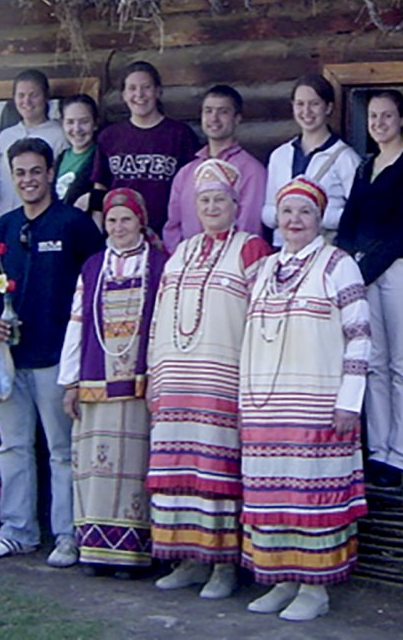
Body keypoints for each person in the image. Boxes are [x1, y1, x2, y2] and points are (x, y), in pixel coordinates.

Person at [240, 177, 370, 622]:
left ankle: (315, 590)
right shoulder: (261, 271)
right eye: (288, 213)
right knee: (272, 496)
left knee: (309, 497)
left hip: (316, 404)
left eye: (305, 213)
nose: (295, 221)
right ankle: (282, 580)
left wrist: (349, 401)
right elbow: (248, 340)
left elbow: (359, 337)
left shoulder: (338, 265)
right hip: (265, 407)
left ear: (319, 221)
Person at [147, 159, 272, 600]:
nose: (212, 206)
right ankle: (187, 558)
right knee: (179, 469)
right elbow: (160, 315)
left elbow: (264, 319)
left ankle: (222, 565)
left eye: (220, 199)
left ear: (237, 206)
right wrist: (154, 373)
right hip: (176, 380)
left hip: (222, 379)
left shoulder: (251, 248)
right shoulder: (181, 251)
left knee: (216, 472)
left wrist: (254, 381)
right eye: (205, 200)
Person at [0, 138, 103, 565]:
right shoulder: (6, 227)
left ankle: (68, 536)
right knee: (12, 448)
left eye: (35, 171)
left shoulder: (73, 224)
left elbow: (96, 282)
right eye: (20, 173)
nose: (28, 180)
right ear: (12, 178)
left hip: (56, 357)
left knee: (62, 452)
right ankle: (17, 532)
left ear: (51, 173)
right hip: (11, 357)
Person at [58, 189, 167, 575]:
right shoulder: (92, 267)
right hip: (95, 382)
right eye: (112, 220)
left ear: (140, 221)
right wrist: (70, 381)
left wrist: (158, 373)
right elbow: (76, 323)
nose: (119, 227)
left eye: (126, 219)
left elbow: (164, 324)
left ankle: (133, 555)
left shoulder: (160, 263)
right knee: (94, 469)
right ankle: (95, 550)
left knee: (134, 470)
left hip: (139, 384)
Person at [336, 90, 403, 491]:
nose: (378, 123)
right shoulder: (366, 165)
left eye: (387, 116)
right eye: (373, 116)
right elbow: (349, 221)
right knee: (373, 360)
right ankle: (379, 452)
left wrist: (364, 269)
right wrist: (342, 265)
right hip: (365, 270)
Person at [91, 61, 199, 235]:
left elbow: (191, 189)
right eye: (132, 88)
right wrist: (97, 229)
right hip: (121, 234)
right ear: (124, 94)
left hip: (166, 233)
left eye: (146, 87)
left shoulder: (180, 135)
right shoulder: (109, 136)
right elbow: (100, 187)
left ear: (158, 91)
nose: (139, 94)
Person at [163, 84, 267, 252]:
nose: (214, 118)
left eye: (223, 112)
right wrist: (180, 260)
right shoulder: (186, 173)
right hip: (188, 265)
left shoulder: (251, 171)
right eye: (208, 111)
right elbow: (173, 226)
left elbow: (248, 227)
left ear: (237, 118)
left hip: (231, 267)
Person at [262, 75, 360, 246]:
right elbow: (267, 211)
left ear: (328, 108)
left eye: (314, 104)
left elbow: (356, 215)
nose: (306, 111)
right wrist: (287, 217)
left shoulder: (345, 158)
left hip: (323, 251)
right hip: (282, 251)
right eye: (300, 104)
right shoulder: (280, 155)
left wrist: (312, 216)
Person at [0, 69, 67, 216]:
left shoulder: (60, 135)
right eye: (21, 95)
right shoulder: (6, 136)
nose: (27, 102)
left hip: (44, 217)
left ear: (45, 97)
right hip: (6, 218)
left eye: (33, 95)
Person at [54, 94, 99, 207]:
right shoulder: (61, 158)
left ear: (95, 123)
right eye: (70, 122)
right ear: (61, 124)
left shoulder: (101, 157)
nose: (77, 129)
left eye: (84, 121)